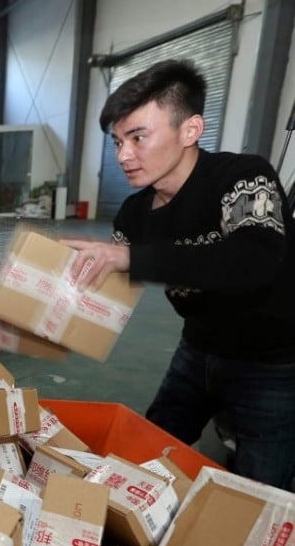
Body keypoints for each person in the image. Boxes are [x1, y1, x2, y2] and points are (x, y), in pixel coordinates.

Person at [64, 59, 295, 490]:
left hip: (272, 363)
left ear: (190, 130)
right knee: (147, 456)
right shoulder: (134, 214)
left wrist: (131, 258)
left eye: (138, 137)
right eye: (118, 142)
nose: (123, 156)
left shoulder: (243, 178)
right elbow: (105, 285)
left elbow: (255, 260)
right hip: (197, 350)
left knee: (259, 493)